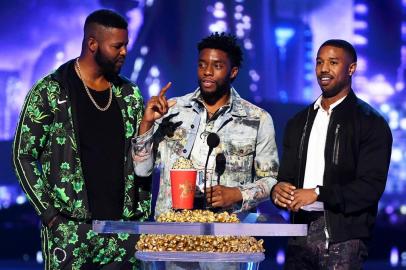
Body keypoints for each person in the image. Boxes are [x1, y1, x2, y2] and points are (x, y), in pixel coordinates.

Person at [13, 9, 151, 269]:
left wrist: (147, 125)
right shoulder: (51, 91)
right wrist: (50, 215)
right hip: (71, 231)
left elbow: (139, 159)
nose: (124, 52)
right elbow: (23, 155)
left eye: (126, 45)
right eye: (117, 46)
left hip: (122, 231)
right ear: (92, 44)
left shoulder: (129, 94)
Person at [271, 39, 392, 269]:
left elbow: (370, 188)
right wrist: (278, 191)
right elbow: (285, 177)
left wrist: (318, 194)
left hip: (344, 238)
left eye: (333, 62)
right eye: (319, 62)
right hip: (299, 234)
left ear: (351, 68)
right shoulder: (299, 122)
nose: (324, 69)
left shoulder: (370, 123)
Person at [132, 32, 279, 218]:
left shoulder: (258, 119)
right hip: (174, 232)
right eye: (202, 65)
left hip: (229, 236)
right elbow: (141, 170)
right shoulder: (172, 110)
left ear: (233, 72)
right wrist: (147, 123)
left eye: (217, 66)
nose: (207, 71)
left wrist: (238, 194)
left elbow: (270, 179)